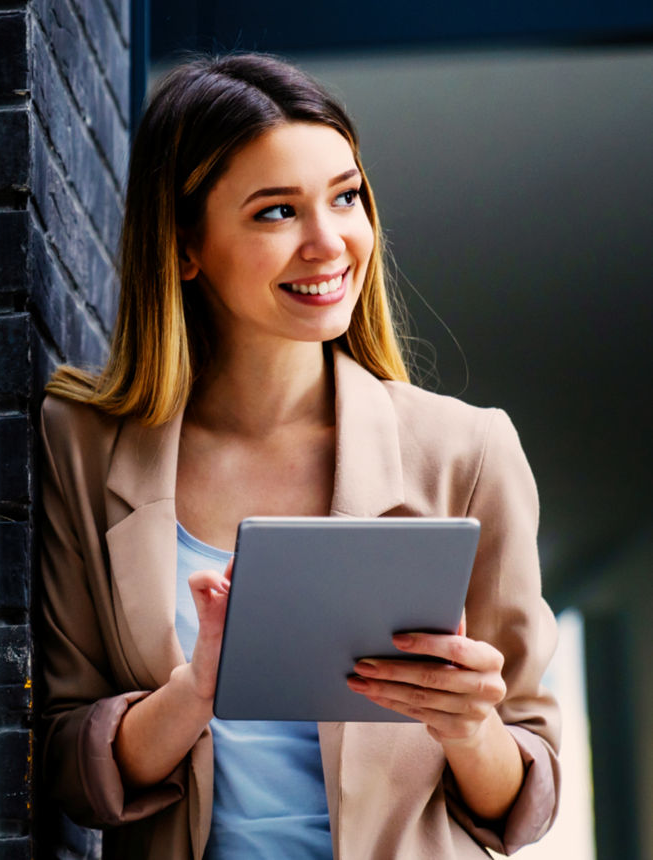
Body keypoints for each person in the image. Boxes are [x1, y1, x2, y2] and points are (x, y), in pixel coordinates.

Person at [37, 53, 561, 859]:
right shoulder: (83, 446)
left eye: (346, 198)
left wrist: (468, 726)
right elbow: (68, 768)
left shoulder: (469, 452)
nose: (329, 243)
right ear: (185, 246)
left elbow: (527, 792)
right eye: (277, 212)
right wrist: (197, 689)